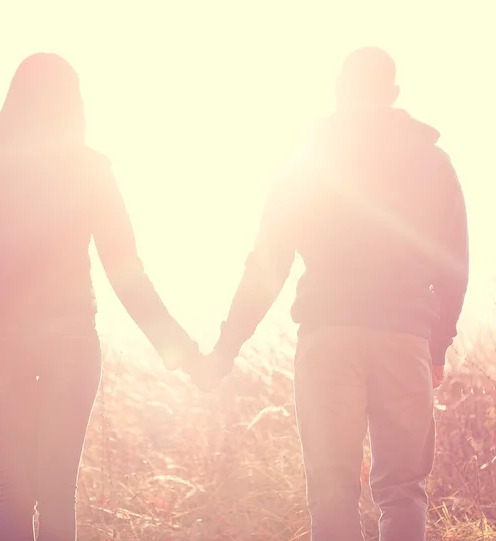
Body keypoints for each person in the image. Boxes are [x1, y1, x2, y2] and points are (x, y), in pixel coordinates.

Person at [193, 47, 469, 541]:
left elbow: (267, 265)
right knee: (403, 489)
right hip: (405, 336)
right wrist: (437, 345)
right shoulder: (434, 165)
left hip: (328, 339)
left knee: (331, 489)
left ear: (340, 89)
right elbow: (454, 263)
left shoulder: (305, 165)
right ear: (394, 95)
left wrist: (228, 346)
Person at [0, 52, 199, 541]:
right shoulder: (90, 169)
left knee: (14, 493)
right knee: (58, 490)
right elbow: (127, 271)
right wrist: (177, 348)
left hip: (1, 342)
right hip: (70, 338)